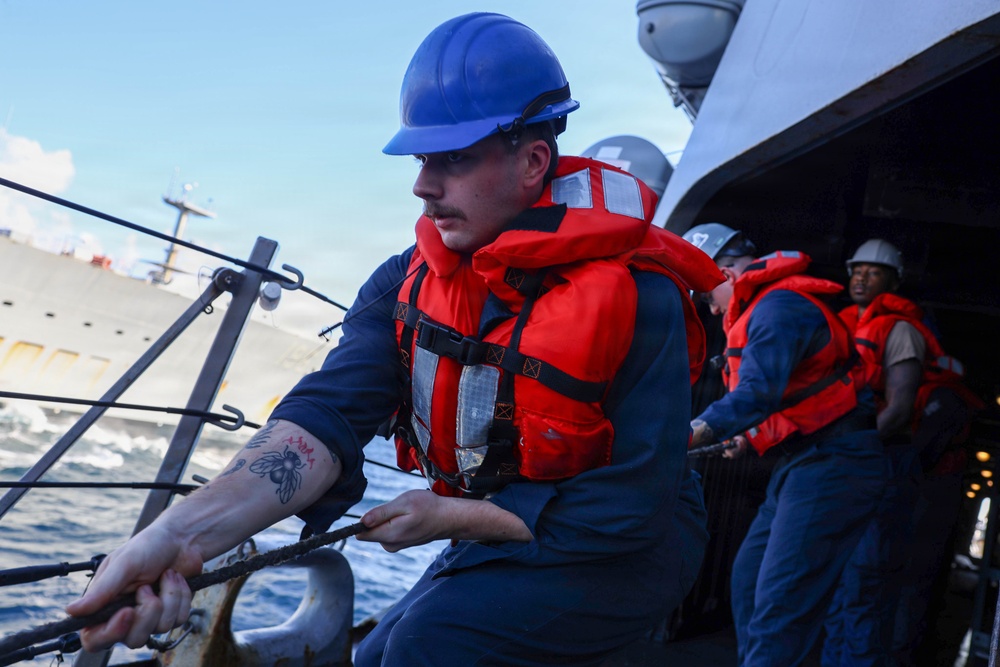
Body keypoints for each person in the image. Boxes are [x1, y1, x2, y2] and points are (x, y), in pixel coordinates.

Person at [66, 13, 725, 666]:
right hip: (497, 519)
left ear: (533, 161)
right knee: (378, 653)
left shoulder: (642, 300)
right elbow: (326, 417)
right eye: (421, 158)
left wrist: (452, 517)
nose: (422, 184)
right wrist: (178, 537)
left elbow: (633, 505)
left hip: (631, 547)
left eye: (454, 158)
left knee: (427, 645)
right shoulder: (403, 282)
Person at [681, 223, 884, 667]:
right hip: (803, 463)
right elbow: (795, 399)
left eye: (704, 295)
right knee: (750, 582)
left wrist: (689, 432)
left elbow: (758, 394)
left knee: (781, 600)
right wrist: (747, 438)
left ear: (726, 275)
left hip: (837, 463)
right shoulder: (767, 308)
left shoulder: (777, 310)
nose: (711, 312)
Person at [838, 239, 981, 666]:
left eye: (874, 271)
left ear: (894, 281)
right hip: (853, 466)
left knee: (872, 580)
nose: (861, 277)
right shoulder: (842, 324)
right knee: (846, 581)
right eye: (857, 269)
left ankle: (891, 656)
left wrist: (847, 448)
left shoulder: (901, 334)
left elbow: (901, 414)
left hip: (889, 471)